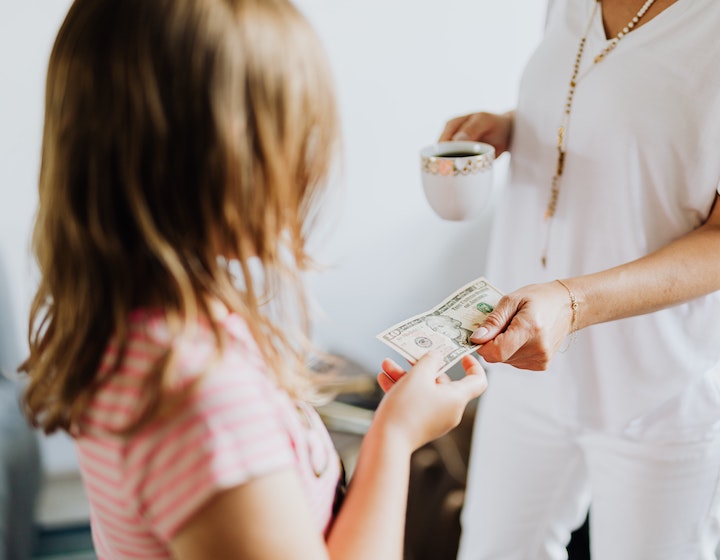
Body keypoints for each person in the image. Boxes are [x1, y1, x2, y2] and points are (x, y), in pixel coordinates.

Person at [18, 1, 488, 559]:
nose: (307, 164)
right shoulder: (196, 394)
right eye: (290, 136)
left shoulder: (132, 317)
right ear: (209, 158)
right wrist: (396, 438)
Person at [439, 0, 720, 558]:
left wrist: (572, 303)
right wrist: (514, 125)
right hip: (523, 363)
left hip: (658, 387)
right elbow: (607, 101)